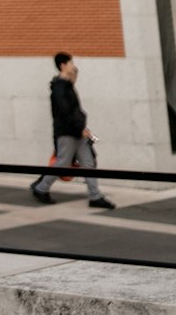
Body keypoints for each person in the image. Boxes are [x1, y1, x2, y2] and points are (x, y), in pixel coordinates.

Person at [29, 52, 115, 211]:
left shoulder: (66, 86)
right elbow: (66, 111)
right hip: (68, 132)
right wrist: (79, 127)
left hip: (77, 131)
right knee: (62, 163)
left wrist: (83, 128)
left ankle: (95, 196)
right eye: (70, 63)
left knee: (88, 163)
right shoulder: (60, 87)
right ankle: (41, 188)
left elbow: (74, 111)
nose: (73, 65)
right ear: (63, 65)